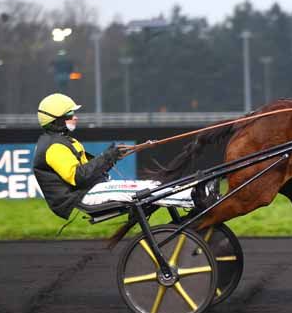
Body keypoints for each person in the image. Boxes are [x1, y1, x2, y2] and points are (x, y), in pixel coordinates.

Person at [33, 93, 195, 220]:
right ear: (56, 120)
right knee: (146, 191)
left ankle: (192, 192)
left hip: (94, 188)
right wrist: (108, 157)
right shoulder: (54, 147)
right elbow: (78, 177)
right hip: (85, 195)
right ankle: (193, 197)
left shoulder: (63, 141)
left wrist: (111, 156)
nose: (75, 117)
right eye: (70, 114)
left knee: (153, 184)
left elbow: (89, 170)